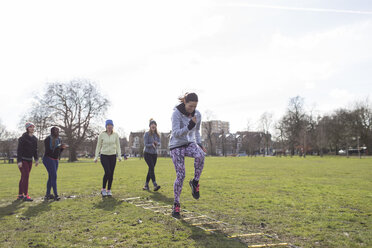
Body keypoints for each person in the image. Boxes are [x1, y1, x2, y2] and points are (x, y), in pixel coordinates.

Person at [169, 93, 207, 218]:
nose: (192, 109)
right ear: (185, 102)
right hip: (176, 145)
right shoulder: (176, 114)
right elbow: (176, 133)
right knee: (181, 175)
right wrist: (189, 125)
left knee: (201, 155)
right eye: (190, 106)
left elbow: (196, 132)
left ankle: (195, 182)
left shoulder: (197, 114)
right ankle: (176, 204)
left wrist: (200, 144)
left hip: (189, 143)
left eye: (194, 106)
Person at [94, 120, 122, 197]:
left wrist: (119, 156)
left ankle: (108, 190)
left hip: (112, 156)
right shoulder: (102, 135)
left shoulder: (115, 135)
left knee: (111, 173)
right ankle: (103, 189)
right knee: (107, 172)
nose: (109, 126)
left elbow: (118, 146)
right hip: (104, 155)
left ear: (113, 126)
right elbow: (98, 146)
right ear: (106, 126)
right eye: (108, 125)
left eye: (111, 125)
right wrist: (96, 157)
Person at [43, 127, 68, 201]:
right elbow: (48, 151)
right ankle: (56, 195)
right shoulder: (48, 139)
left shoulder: (59, 139)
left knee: (51, 177)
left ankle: (47, 195)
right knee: (54, 176)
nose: (57, 132)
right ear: (51, 131)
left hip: (55, 159)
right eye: (55, 130)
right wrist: (58, 147)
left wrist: (62, 148)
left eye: (58, 131)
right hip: (48, 159)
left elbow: (58, 152)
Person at [16, 122, 39, 201]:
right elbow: (19, 150)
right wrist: (19, 161)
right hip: (23, 160)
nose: (32, 128)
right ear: (27, 128)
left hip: (30, 161)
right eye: (30, 127)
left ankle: (20, 195)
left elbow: (35, 150)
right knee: (26, 176)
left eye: (33, 127)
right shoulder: (22, 138)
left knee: (23, 177)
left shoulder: (35, 139)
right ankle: (26, 195)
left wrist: (36, 159)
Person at [143, 118, 161, 191]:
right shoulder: (147, 134)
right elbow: (145, 144)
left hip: (154, 154)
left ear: (156, 126)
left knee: (151, 169)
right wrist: (152, 144)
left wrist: (157, 144)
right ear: (150, 126)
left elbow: (160, 143)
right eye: (152, 124)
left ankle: (146, 185)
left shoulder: (157, 134)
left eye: (154, 124)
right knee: (151, 168)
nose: (153, 126)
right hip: (147, 153)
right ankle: (155, 184)